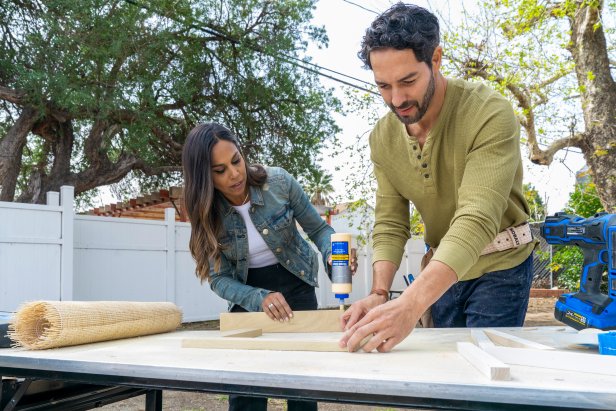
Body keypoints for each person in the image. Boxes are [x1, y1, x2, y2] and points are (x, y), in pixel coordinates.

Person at [339, 3, 536, 353]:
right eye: (383, 86)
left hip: (500, 266)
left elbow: (476, 219)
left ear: (436, 59)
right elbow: (389, 224)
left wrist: (411, 304)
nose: (397, 99)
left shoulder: (489, 113)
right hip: (439, 274)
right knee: (445, 379)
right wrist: (380, 293)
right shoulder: (382, 138)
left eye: (408, 81)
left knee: (484, 388)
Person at [182, 122, 356, 411]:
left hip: (296, 285)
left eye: (236, 160)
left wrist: (331, 253)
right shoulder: (205, 212)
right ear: (205, 176)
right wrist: (258, 297)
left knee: (302, 389)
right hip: (247, 295)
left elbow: (319, 231)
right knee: (246, 395)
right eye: (220, 170)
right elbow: (220, 280)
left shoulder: (279, 182)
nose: (235, 174)